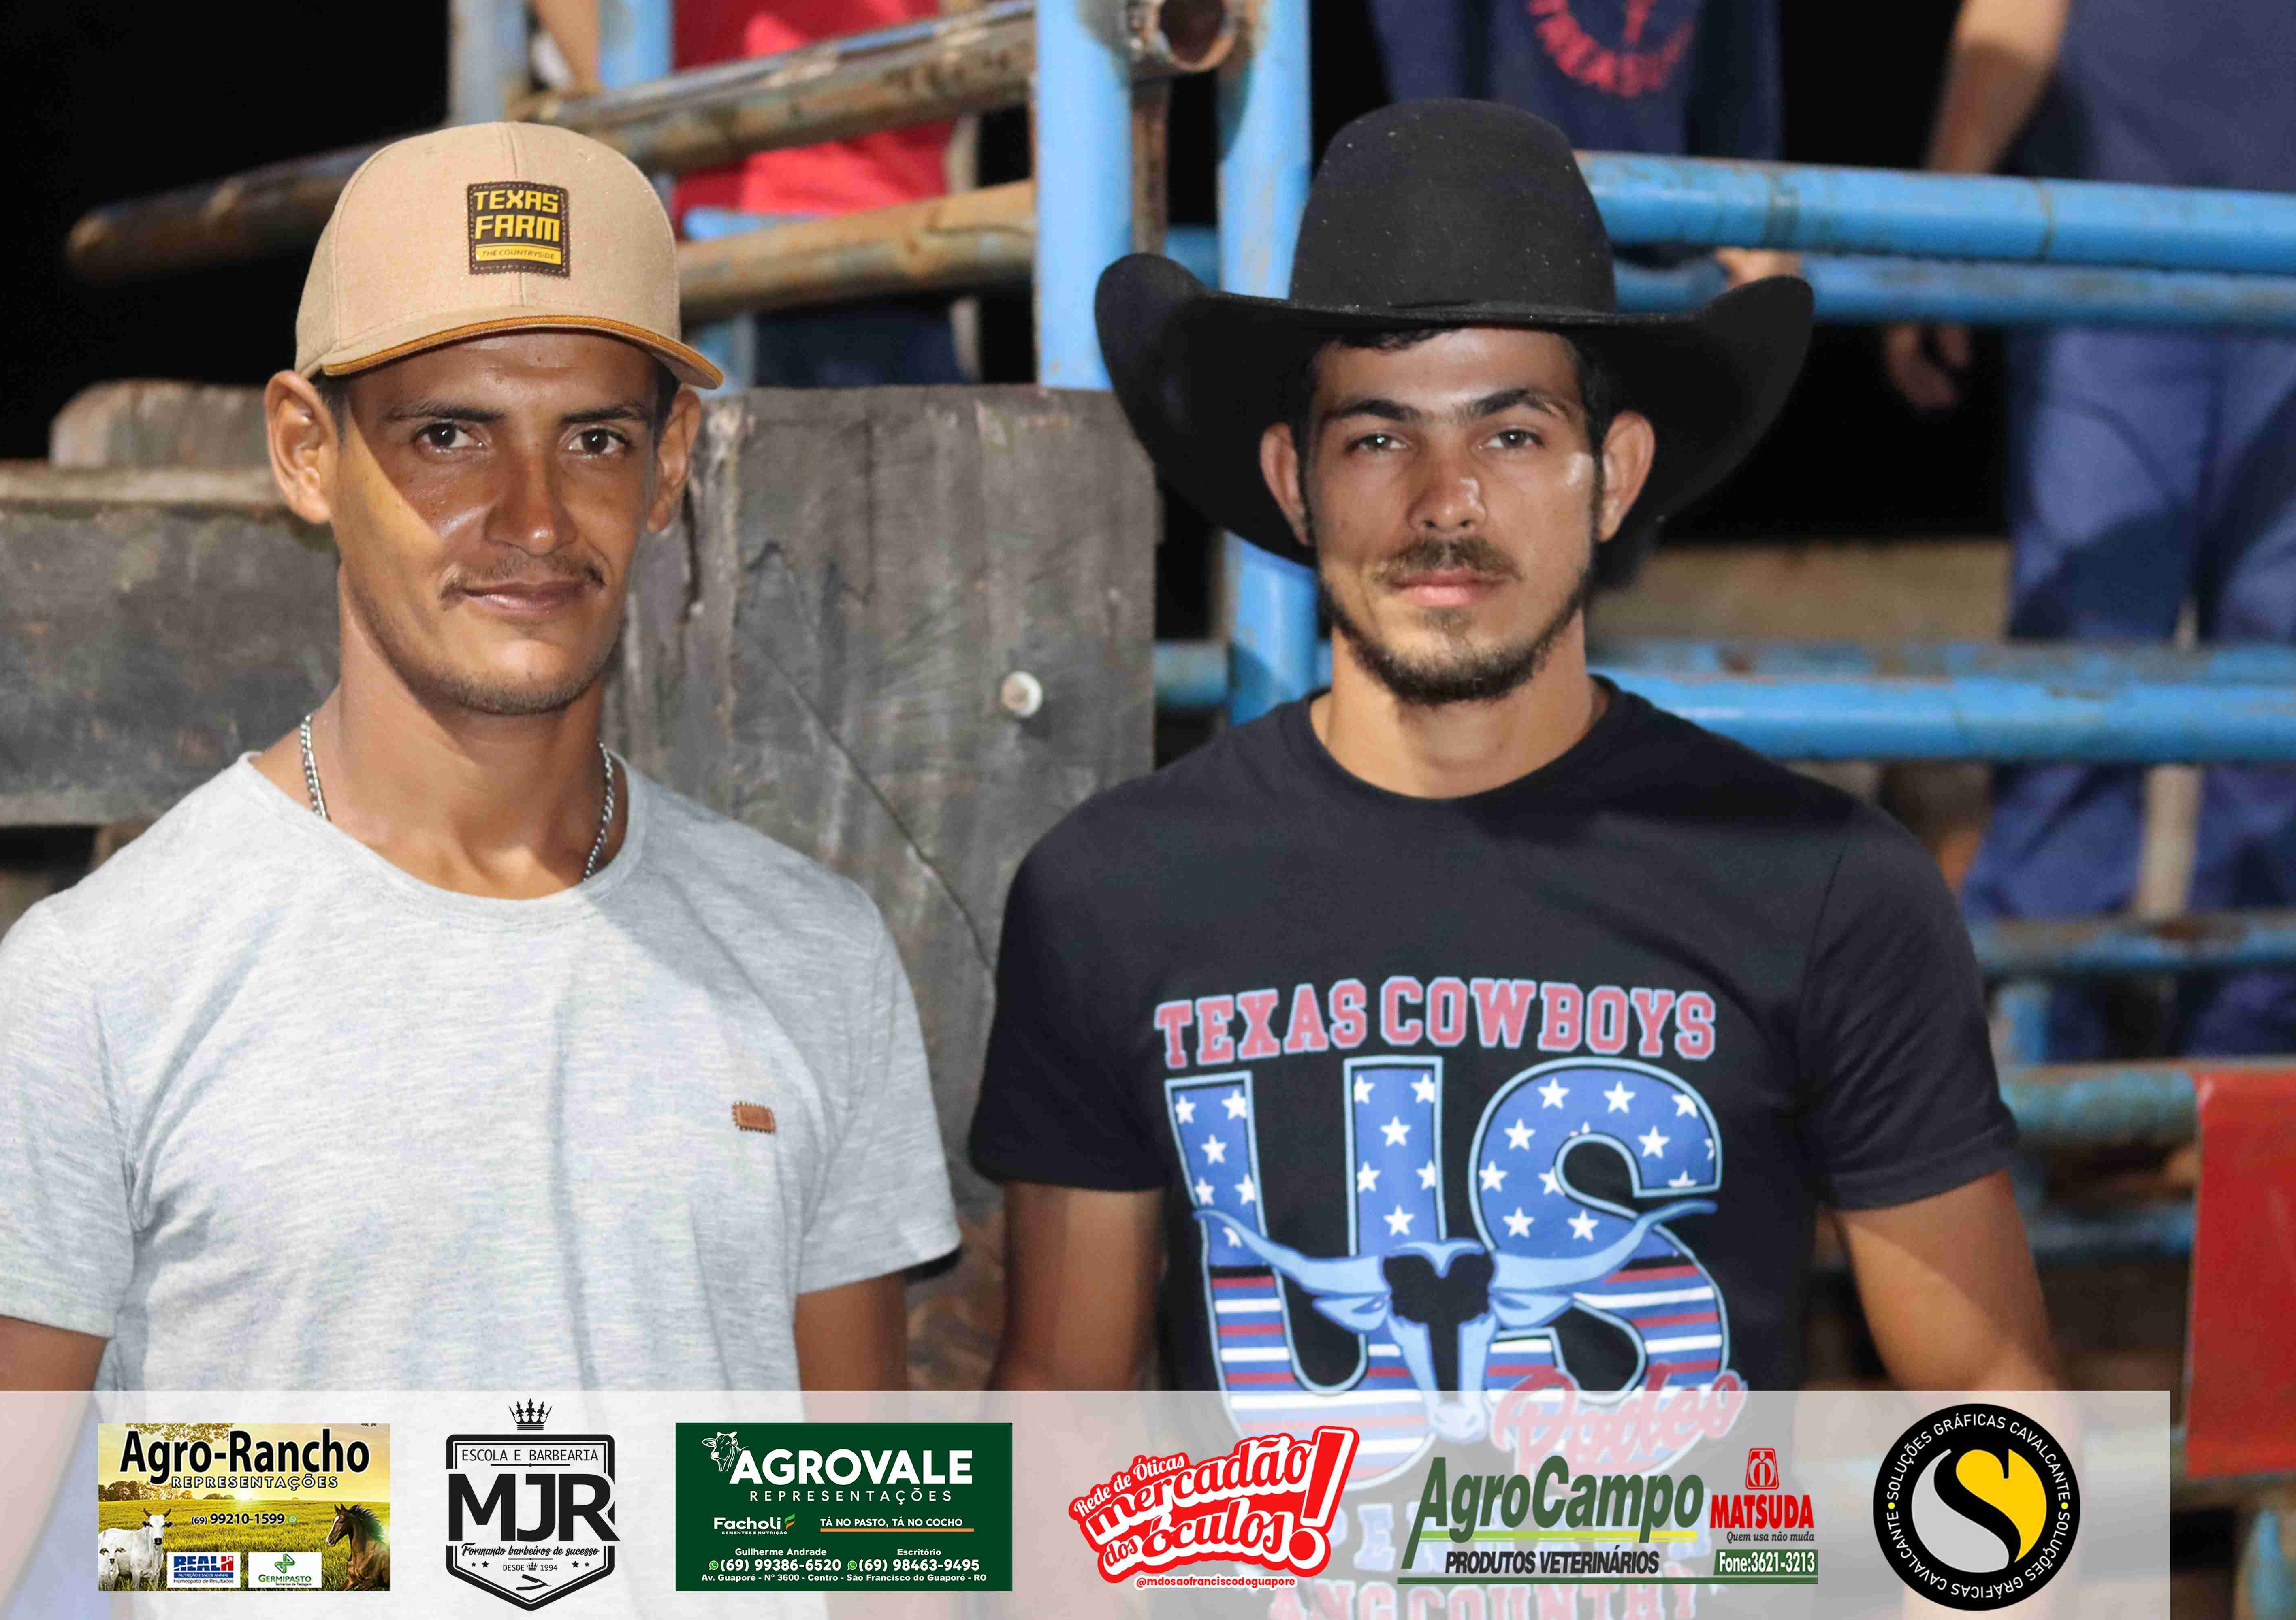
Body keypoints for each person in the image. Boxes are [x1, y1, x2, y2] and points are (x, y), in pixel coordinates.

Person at [0, 122, 958, 1613]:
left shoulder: (813, 954)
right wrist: (332, 1529)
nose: (531, 515)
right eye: (449, 434)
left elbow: (862, 1555)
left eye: (595, 437)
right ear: (306, 451)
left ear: (670, 465)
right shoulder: (104, 981)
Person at [973, 102, 2058, 1427]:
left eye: (1513, 435)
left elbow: (2000, 1404)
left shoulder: (1825, 888)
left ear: (1617, 475)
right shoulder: (1113, 893)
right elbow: (1057, 1406)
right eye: (1379, 439)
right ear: (1294, 480)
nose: (1446, 502)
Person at [1886, 0, 2296, 1059]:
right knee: (2080, 678)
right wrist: (1945, 216)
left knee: (2284, 713)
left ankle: (2249, 1088)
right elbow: (2019, 12)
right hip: (2111, 257)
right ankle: (2036, 1070)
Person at [1364, 0, 1798, 290]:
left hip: (1676, 268)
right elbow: (1432, 131)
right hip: (1508, 252)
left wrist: (1757, 221)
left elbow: (1743, 108)